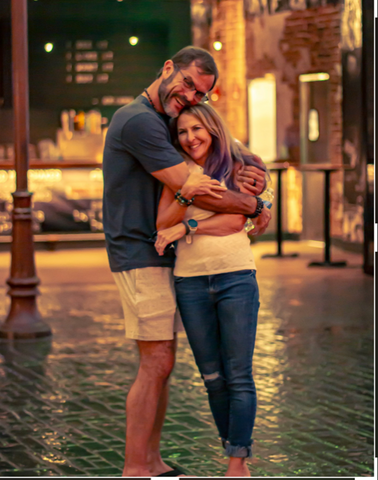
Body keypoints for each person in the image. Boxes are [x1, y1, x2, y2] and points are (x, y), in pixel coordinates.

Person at [102, 46, 271, 477]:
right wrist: (254, 205)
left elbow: (232, 152)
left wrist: (257, 172)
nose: (192, 96)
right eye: (189, 84)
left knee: (164, 362)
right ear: (167, 68)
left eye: (202, 96)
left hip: (163, 254)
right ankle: (136, 466)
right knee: (156, 361)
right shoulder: (138, 120)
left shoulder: (166, 120)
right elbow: (190, 184)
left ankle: (152, 461)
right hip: (141, 251)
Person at [154, 103, 267, 477]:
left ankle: (237, 464)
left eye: (196, 129)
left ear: (213, 129)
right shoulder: (178, 173)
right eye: (182, 132)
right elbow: (162, 221)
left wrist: (188, 228)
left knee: (238, 374)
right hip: (191, 282)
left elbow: (238, 218)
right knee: (212, 378)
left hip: (235, 276)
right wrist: (186, 195)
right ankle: (234, 450)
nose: (190, 138)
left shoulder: (236, 167)